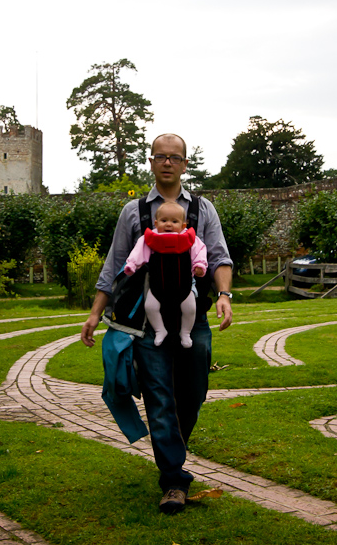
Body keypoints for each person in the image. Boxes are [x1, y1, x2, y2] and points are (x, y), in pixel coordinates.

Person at [81, 133, 233, 515]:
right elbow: (115, 265)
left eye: (175, 157)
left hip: (192, 320)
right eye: (160, 156)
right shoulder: (134, 212)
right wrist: (96, 312)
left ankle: (172, 451)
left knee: (192, 395)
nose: (167, 162)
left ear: (184, 163)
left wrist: (226, 296)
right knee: (159, 398)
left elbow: (219, 257)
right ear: (151, 162)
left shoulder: (202, 210)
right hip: (147, 327)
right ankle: (173, 479)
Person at [123, 200, 208, 348]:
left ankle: (185, 332)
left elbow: (200, 251)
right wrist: (132, 264)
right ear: (156, 223)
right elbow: (138, 251)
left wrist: (199, 265)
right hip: (157, 285)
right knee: (150, 306)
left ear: (183, 225)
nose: (168, 224)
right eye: (164, 220)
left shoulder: (190, 239)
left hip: (185, 284)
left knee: (190, 308)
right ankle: (159, 329)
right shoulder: (149, 239)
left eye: (174, 221)